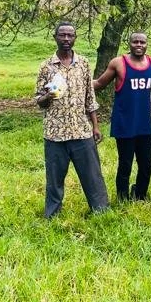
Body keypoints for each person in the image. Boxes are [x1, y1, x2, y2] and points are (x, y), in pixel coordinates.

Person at [35, 23, 110, 217]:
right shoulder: (46, 66)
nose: (66, 39)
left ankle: (101, 211)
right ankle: (52, 215)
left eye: (70, 35)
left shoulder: (83, 63)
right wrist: (48, 96)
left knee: (92, 175)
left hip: (81, 130)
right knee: (54, 179)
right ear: (55, 37)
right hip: (55, 133)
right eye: (62, 35)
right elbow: (39, 100)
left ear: (75, 38)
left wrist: (95, 126)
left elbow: (90, 98)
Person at [93, 32, 151, 202]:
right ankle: (122, 198)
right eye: (135, 42)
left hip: (144, 125)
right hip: (124, 124)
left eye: (142, 42)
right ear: (129, 43)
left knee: (146, 164)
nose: (139, 45)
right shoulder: (118, 63)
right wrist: (76, 83)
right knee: (125, 164)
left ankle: (140, 195)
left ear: (147, 44)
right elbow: (99, 84)